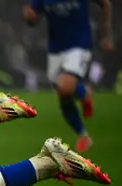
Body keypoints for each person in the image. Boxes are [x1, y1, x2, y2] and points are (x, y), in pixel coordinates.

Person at [23, 0, 114, 152]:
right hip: (55, 49)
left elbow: (105, 4)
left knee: (65, 86)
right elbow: (32, 18)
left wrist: (107, 33)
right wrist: (29, 16)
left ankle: (84, 93)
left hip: (79, 45)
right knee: (63, 94)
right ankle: (83, 134)